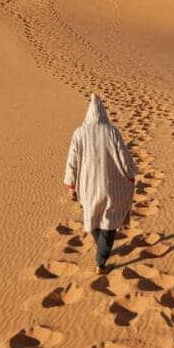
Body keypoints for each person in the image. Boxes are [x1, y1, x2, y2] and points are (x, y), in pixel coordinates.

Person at [64, 94, 137, 274]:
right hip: (111, 184)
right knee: (109, 220)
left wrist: (70, 184)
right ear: (103, 113)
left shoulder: (79, 133)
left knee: (93, 215)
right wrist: (130, 175)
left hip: (87, 185)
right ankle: (101, 261)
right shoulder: (112, 131)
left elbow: (71, 161)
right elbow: (124, 156)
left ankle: (102, 248)